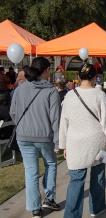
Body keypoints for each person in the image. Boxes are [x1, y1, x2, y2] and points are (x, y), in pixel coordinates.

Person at [59, 63, 106, 218]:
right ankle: (96, 208)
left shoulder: (70, 95)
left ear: (78, 77)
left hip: (75, 142)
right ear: (95, 77)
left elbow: (63, 122)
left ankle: (71, 215)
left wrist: (63, 145)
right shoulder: (99, 95)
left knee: (76, 181)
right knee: (97, 177)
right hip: (96, 141)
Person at [9, 57, 61, 218]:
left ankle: (35, 208)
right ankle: (49, 197)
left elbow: (13, 112)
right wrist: (58, 141)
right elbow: (55, 118)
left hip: (24, 136)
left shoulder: (20, 89)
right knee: (51, 164)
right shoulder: (51, 91)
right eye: (49, 69)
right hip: (43, 136)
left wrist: (23, 125)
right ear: (45, 70)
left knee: (31, 172)